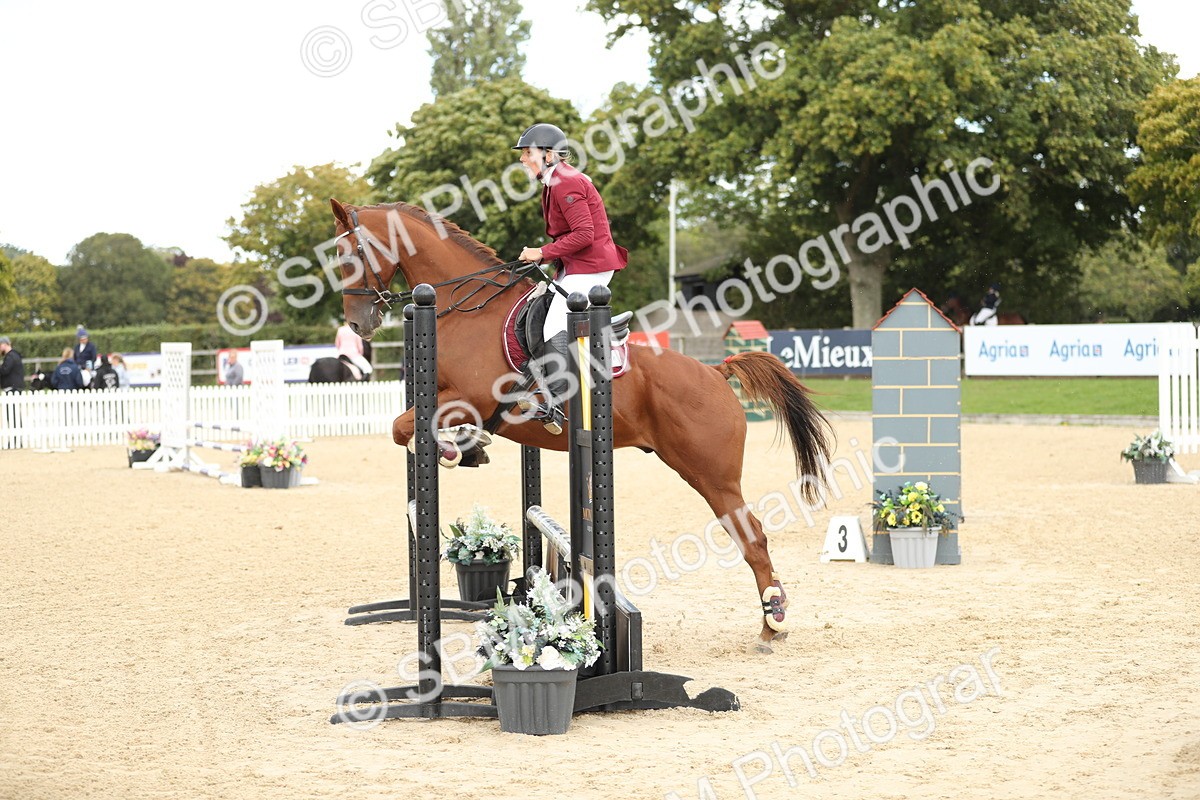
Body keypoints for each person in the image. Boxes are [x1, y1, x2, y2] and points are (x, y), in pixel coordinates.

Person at [512, 122, 629, 434]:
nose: (523, 159)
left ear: (549, 155)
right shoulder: (554, 182)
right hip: (576, 265)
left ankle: (558, 404)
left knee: (553, 324)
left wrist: (542, 252)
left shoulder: (566, 183)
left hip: (591, 265)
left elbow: (585, 234)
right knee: (537, 311)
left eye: (527, 153)